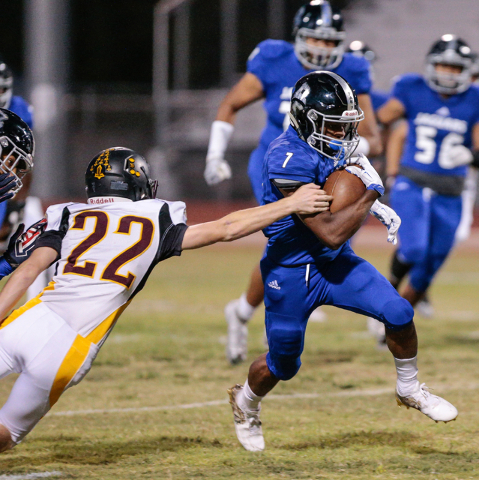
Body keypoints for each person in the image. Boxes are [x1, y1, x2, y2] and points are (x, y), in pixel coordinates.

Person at [0, 146, 331, 452]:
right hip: (70, 346)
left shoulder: (69, 213)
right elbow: (226, 227)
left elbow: (27, 271)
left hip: (30, 319)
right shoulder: (156, 216)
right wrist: (289, 204)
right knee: (7, 433)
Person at [228, 71, 457, 453]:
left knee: (398, 312)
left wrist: (371, 200)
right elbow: (331, 229)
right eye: (333, 126)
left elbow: (336, 226)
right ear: (306, 119)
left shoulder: (330, 145)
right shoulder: (286, 158)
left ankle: (410, 388)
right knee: (284, 364)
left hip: (335, 263)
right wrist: (371, 193)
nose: (341, 134)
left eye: (344, 126)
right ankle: (246, 401)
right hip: (292, 270)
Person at [204, 0, 382, 365]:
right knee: (291, 240)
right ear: (299, 37)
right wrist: (214, 154)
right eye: (316, 40)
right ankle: (251, 311)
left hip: (329, 168)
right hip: (278, 167)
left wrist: (350, 147)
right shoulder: (273, 59)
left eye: (331, 42)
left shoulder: (352, 69)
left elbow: (374, 138)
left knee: (321, 243)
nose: (324, 49)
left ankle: (241, 311)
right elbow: (230, 104)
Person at [375, 35, 479, 319]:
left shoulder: (474, 99)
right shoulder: (412, 88)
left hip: (451, 191)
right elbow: (378, 120)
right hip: (413, 182)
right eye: (444, 66)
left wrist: (472, 156)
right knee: (415, 248)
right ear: (432, 65)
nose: (449, 73)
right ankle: (387, 293)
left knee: (430, 266)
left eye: (456, 68)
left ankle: (396, 320)